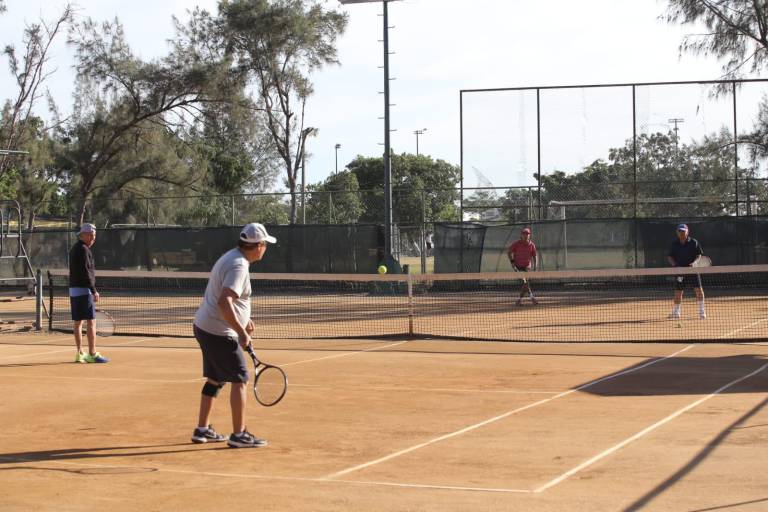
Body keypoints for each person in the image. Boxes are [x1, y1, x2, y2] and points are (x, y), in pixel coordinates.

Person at [191, 222, 276, 448]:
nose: (266, 248)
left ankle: (202, 429)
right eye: (265, 244)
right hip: (219, 331)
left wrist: (244, 319)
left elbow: (229, 299)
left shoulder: (231, 257)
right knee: (240, 379)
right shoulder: (239, 266)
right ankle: (239, 435)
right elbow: (224, 301)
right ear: (258, 246)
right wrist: (241, 332)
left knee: (216, 379)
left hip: (205, 327)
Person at [69, 223, 109, 364]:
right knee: (91, 322)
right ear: (83, 235)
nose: (93, 238)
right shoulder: (84, 250)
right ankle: (92, 354)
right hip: (84, 290)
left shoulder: (75, 249)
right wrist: (93, 290)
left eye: (94, 235)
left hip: (74, 290)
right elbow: (86, 273)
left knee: (78, 322)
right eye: (91, 235)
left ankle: (80, 354)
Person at [667, 223, 706, 320]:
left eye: (683, 231)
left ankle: (702, 312)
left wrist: (694, 263)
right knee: (678, 292)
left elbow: (699, 255)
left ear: (687, 232)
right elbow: (670, 257)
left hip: (693, 270)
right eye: (680, 231)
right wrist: (675, 265)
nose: (681, 233)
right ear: (677, 232)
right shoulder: (674, 244)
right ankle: (676, 312)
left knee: (699, 290)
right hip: (680, 271)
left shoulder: (694, 242)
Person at [507, 227, 538, 306]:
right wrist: (512, 263)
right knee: (525, 282)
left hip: (527, 267)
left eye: (527, 234)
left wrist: (535, 266)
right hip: (518, 267)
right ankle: (530, 298)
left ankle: (521, 300)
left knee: (525, 282)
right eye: (524, 234)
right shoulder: (516, 244)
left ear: (529, 235)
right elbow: (509, 252)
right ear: (521, 235)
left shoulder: (532, 245)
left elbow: (535, 256)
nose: (525, 235)